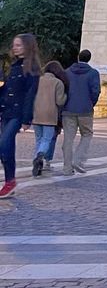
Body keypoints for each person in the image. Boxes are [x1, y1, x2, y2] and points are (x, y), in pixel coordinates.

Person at [0, 34, 41, 198]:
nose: (15, 47)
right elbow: (7, 90)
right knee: (6, 149)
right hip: (6, 111)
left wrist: (26, 119)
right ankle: (10, 181)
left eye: (18, 45)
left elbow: (30, 95)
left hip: (17, 113)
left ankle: (10, 181)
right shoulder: (14, 66)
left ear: (27, 46)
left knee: (4, 144)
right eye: (14, 45)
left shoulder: (32, 69)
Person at [62, 49, 101, 175]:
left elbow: (63, 90)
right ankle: (77, 160)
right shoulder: (93, 73)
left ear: (78, 57)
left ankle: (67, 168)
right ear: (89, 59)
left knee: (68, 138)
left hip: (68, 108)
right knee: (87, 134)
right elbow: (95, 91)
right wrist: (90, 103)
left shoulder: (67, 72)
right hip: (85, 109)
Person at [32, 61, 68, 177]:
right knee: (47, 139)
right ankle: (40, 156)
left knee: (38, 138)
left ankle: (38, 159)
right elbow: (60, 101)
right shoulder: (58, 83)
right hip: (50, 115)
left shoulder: (37, 80)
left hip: (36, 114)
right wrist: (66, 95)